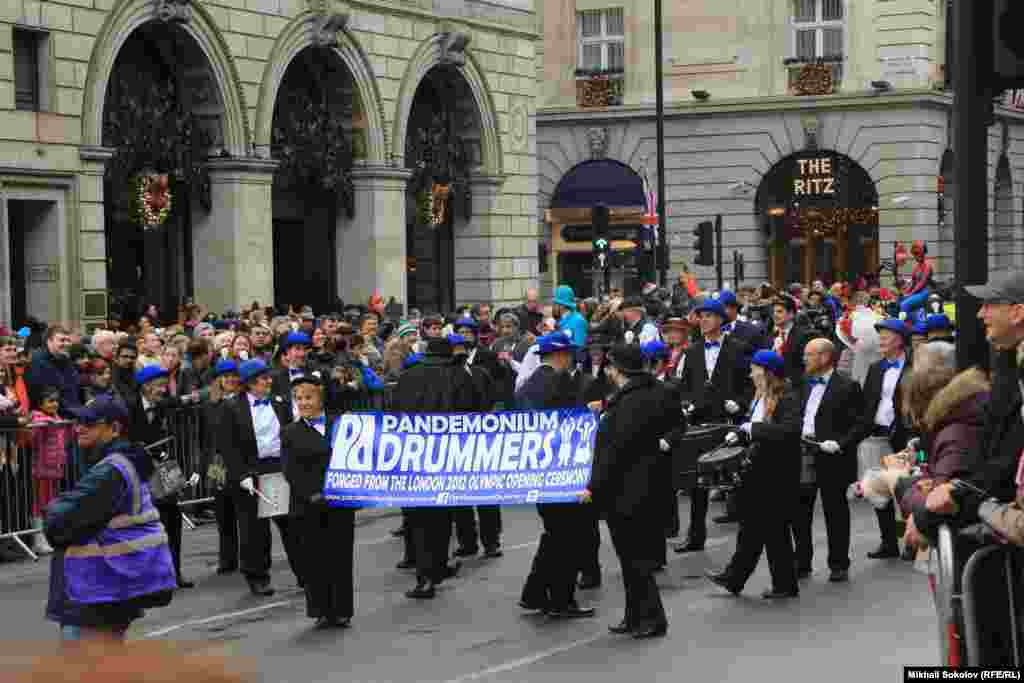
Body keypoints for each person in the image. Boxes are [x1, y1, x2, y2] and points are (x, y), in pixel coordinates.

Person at [44, 395, 177, 641]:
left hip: (95, 590)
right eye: (78, 421)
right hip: (109, 586)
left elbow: (58, 524)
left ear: (114, 429)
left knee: (83, 668)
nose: (79, 427)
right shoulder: (121, 462)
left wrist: (53, 510)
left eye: (90, 422)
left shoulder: (111, 470)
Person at [586, 343, 675, 638]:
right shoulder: (655, 392)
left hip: (626, 489)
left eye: (609, 367)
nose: (607, 372)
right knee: (632, 558)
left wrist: (593, 487)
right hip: (648, 483)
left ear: (617, 369)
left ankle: (652, 617)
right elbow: (676, 424)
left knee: (634, 559)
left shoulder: (627, 402)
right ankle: (634, 615)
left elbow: (614, 451)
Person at [705, 350, 801, 599]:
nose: (750, 373)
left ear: (767, 372)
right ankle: (736, 579)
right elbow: (752, 427)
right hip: (758, 470)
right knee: (753, 529)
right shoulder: (759, 397)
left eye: (755, 369)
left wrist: (753, 429)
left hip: (776, 474)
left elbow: (788, 431)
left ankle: (781, 584)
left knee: (773, 531)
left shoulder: (787, 397)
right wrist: (739, 432)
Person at [516, 331, 594, 619]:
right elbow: (574, 424)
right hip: (563, 469)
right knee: (568, 537)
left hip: (538, 471)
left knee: (554, 534)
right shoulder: (563, 382)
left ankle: (534, 592)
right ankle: (561, 599)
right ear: (561, 355)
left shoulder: (525, 386)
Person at [391, 337, 475, 599]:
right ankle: (435, 569)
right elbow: (473, 411)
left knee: (418, 518)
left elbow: (393, 412)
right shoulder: (458, 376)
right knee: (442, 515)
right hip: (447, 453)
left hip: (414, 453)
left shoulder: (407, 377)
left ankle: (427, 573)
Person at [674, 298, 753, 553]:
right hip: (700, 422)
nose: (703, 320)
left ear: (720, 320)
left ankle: (749, 535)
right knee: (698, 481)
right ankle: (695, 535)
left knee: (737, 477)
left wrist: (739, 405)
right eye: (701, 316)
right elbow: (685, 386)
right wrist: (687, 404)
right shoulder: (692, 351)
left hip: (728, 421)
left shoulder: (739, 348)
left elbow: (750, 384)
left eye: (709, 316)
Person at [219, 359, 303, 597]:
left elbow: (290, 436)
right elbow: (228, 445)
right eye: (263, 378)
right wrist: (240, 474)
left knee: (289, 524)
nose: (269, 381)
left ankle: (304, 573)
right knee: (255, 529)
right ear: (250, 383)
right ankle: (257, 576)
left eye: (268, 377)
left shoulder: (279, 403)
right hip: (251, 470)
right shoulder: (232, 407)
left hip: (276, 468)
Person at [282, 375, 354, 629]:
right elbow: (290, 471)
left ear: (320, 397)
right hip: (308, 504)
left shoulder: (340, 424)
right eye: (299, 399)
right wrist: (311, 494)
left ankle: (342, 609)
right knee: (314, 559)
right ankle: (321, 609)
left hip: (339, 502)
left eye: (308, 397)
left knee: (341, 557)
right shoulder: (290, 432)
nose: (303, 403)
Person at [792, 338, 864, 582]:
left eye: (809, 354)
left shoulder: (847, 386)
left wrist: (841, 444)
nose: (804, 359)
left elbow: (860, 424)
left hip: (831, 455)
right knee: (800, 511)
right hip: (803, 450)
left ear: (824, 357)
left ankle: (839, 564)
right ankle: (801, 562)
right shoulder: (802, 383)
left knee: (835, 510)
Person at [127, 365, 194, 589]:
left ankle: (174, 571)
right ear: (145, 386)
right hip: (141, 470)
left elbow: (184, 402)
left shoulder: (164, 405)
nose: (163, 390)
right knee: (146, 523)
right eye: (159, 386)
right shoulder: (128, 407)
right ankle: (147, 575)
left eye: (164, 385)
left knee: (173, 519)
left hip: (166, 467)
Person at [850, 318, 911, 560]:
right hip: (878, 437)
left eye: (886, 336)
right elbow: (867, 405)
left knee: (907, 492)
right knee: (879, 492)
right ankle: (888, 543)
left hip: (904, 438)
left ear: (900, 340)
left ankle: (911, 542)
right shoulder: (876, 368)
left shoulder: (914, 367)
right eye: (880, 336)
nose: (881, 341)